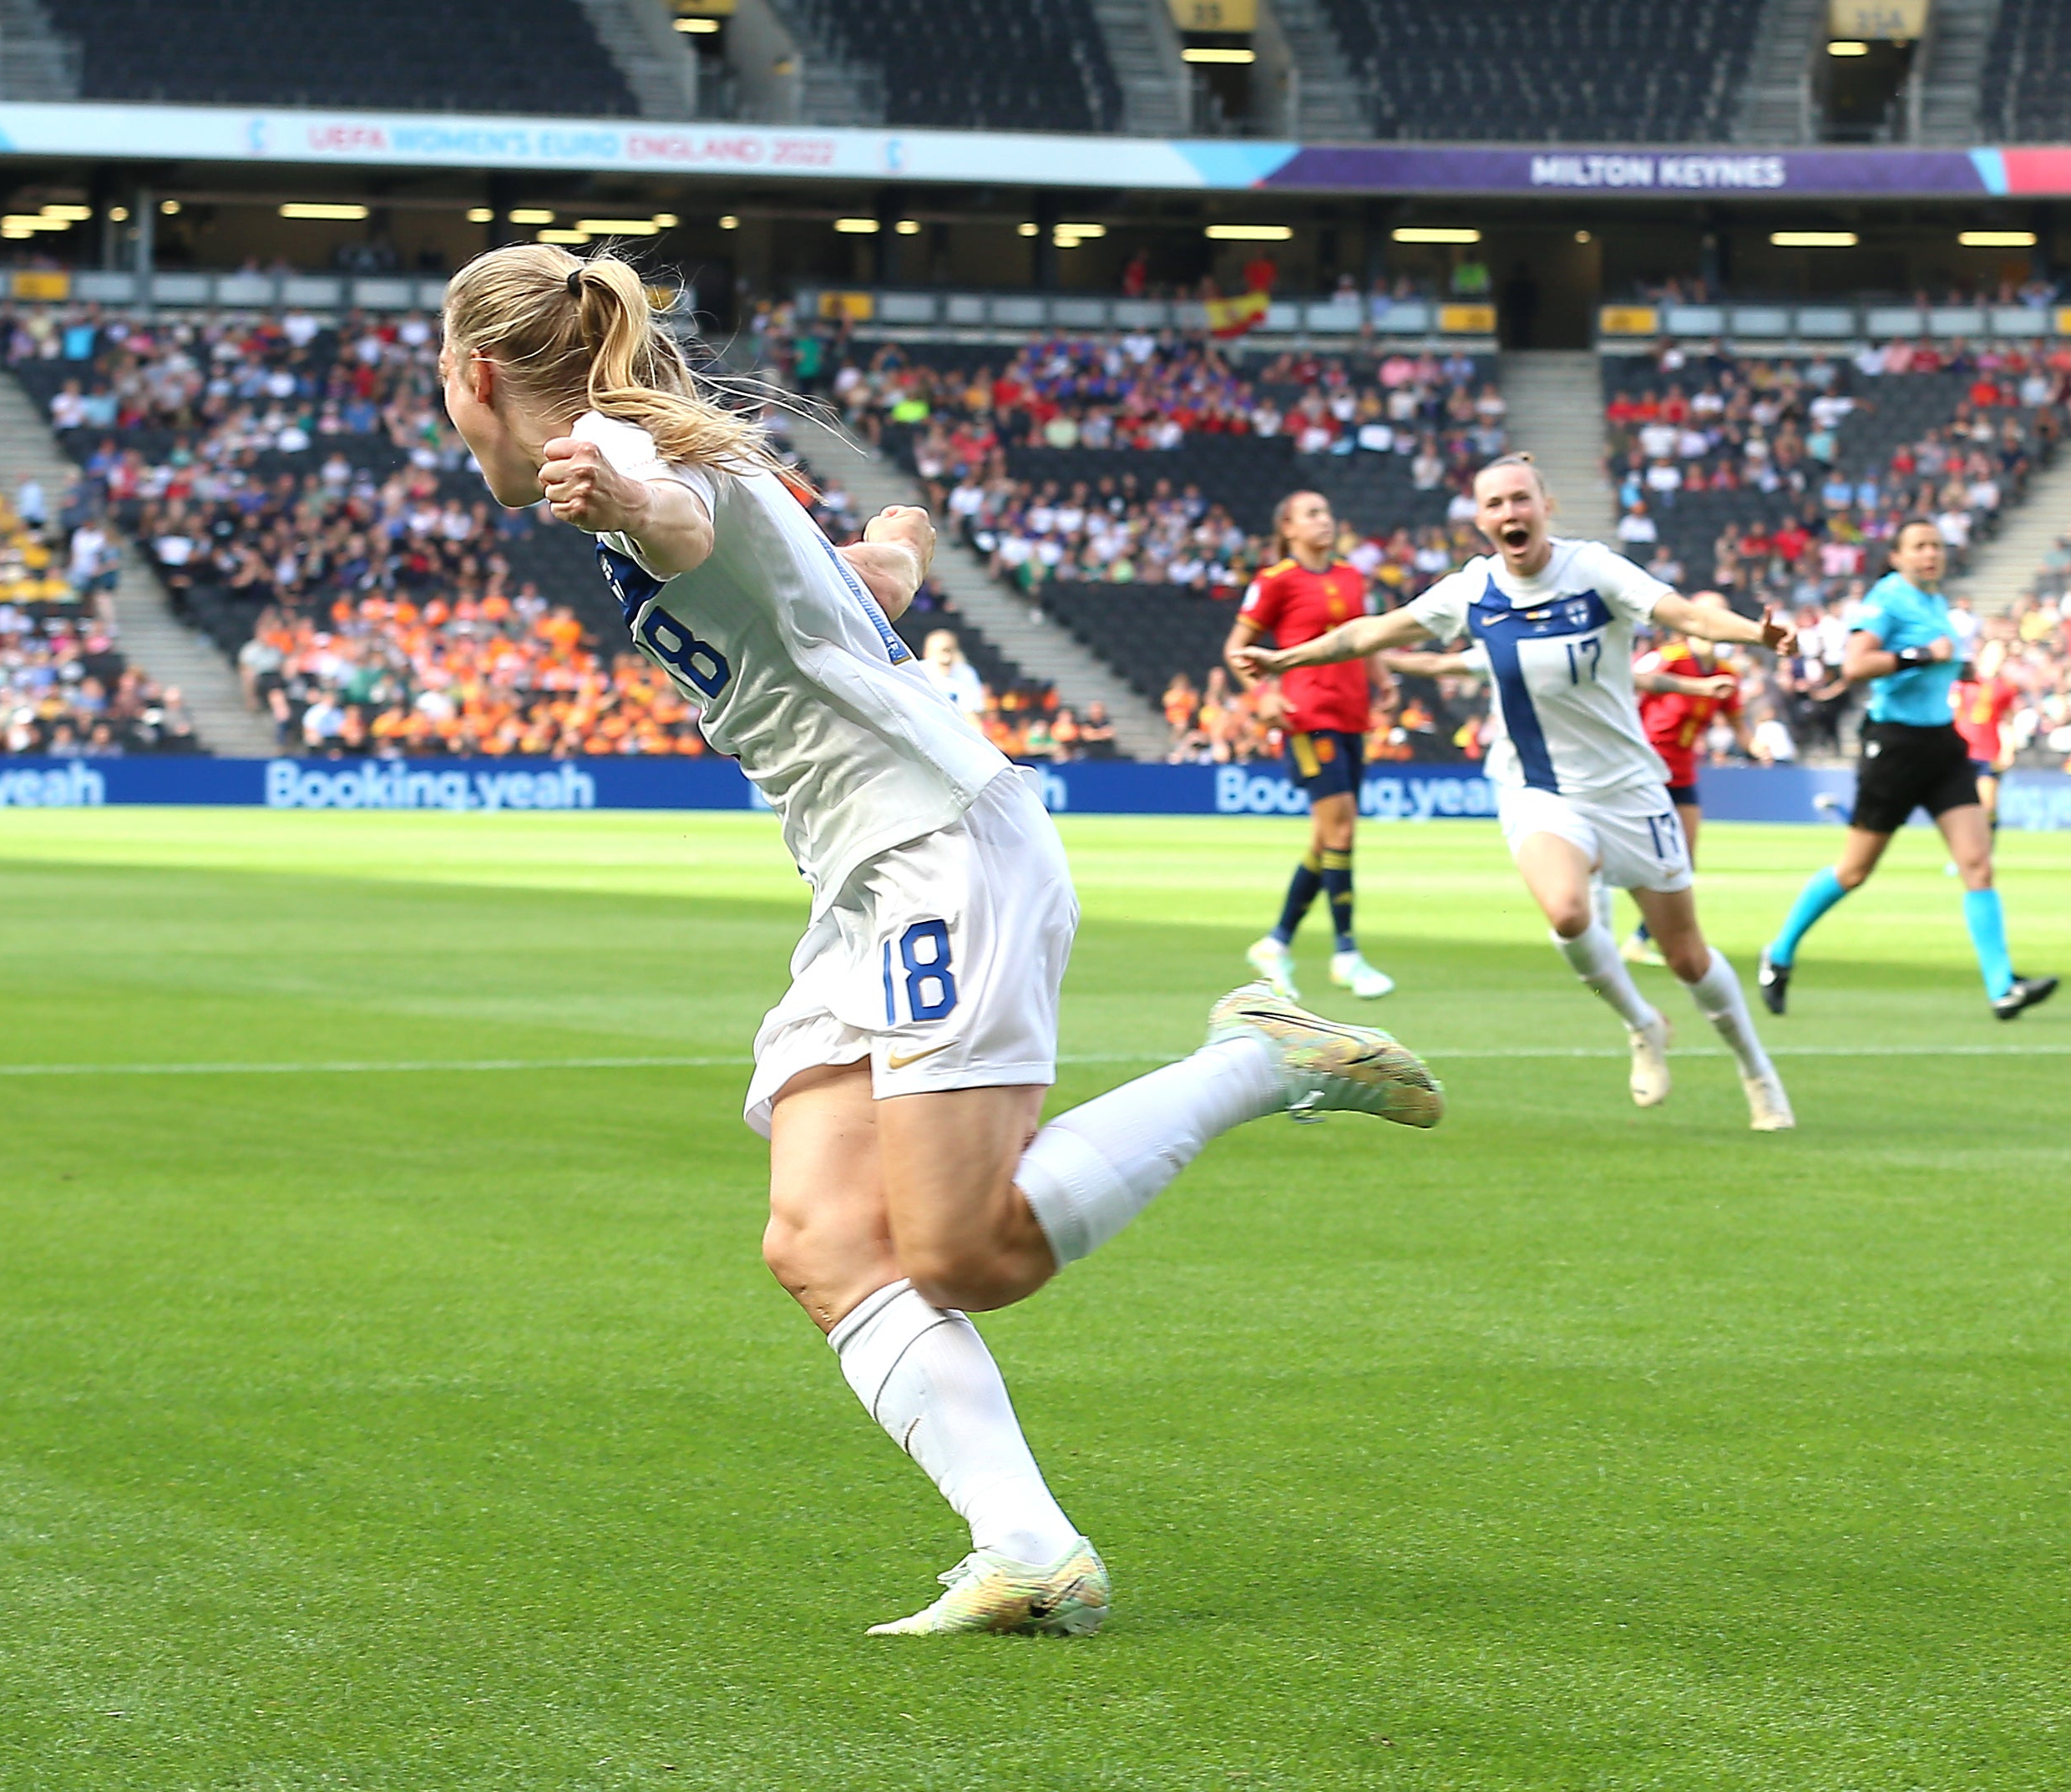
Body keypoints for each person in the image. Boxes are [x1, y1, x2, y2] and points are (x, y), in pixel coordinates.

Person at [439, 244, 1445, 1638]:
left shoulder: (627, 459)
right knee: (818, 1235)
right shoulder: (686, 458)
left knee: (963, 1251)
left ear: (474, 376)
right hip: (866, 883)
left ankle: (1254, 1058)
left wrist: (621, 497)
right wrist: (896, 543)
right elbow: (845, 590)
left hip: (936, 856)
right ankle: (1029, 1549)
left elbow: (669, 519)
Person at [1237, 453, 1795, 1130]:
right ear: (1480, 520)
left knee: (1686, 955)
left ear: (1545, 506)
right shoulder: (1473, 591)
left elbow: (1684, 616)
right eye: (1495, 504)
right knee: (1565, 912)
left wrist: (1755, 634)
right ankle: (1641, 1023)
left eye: (1520, 500)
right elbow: (1369, 632)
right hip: (1538, 791)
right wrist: (1285, 658)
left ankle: (1754, 1070)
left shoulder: (1592, 570)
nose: (1509, 513)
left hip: (1628, 791)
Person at [1758, 521, 2056, 1021]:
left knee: (1977, 864)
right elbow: (1854, 665)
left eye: (1936, 546)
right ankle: (1780, 953)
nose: (1930, 554)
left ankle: (2002, 987)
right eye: (1919, 547)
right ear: (1896, 556)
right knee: (1854, 871)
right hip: (1894, 746)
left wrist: (1952, 668)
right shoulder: (1886, 599)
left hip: (1942, 744)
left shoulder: (1936, 604)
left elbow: (1933, 663)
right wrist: (1919, 655)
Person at [1223, 491, 1404, 1000]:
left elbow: (1361, 637)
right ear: (1288, 527)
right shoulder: (1275, 581)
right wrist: (1262, 695)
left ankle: (1275, 944)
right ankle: (1346, 953)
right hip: (1307, 717)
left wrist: (1381, 676)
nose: (1324, 521)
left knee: (1329, 836)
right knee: (1342, 824)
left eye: (1327, 512)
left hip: (1351, 713)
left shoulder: (1350, 575)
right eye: (1312, 514)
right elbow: (1236, 648)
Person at [1619, 593, 1746, 965]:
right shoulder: (1667, 659)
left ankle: (1643, 938)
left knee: (1684, 858)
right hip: (1645, 766)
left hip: (1683, 770)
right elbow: (1627, 682)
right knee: (1638, 854)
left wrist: (1756, 744)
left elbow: (1737, 722)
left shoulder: (1727, 672)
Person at [1952, 635, 2017, 825]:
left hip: (1989, 752)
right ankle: (1963, 852)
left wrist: (2008, 749)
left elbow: (2007, 721)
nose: (1998, 659)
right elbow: (1953, 712)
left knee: (1987, 806)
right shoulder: (1964, 682)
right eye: (1994, 654)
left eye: (2002, 655)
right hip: (1962, 750)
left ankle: (1985, 851)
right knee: (1961, 806)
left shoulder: (2005, 688)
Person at [917, 628, 987, 720]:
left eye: (950, 650)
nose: (946, 657)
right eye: (942, 651)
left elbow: (972, 712)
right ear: (927, 653)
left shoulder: (965, 673)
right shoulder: (917, 671)